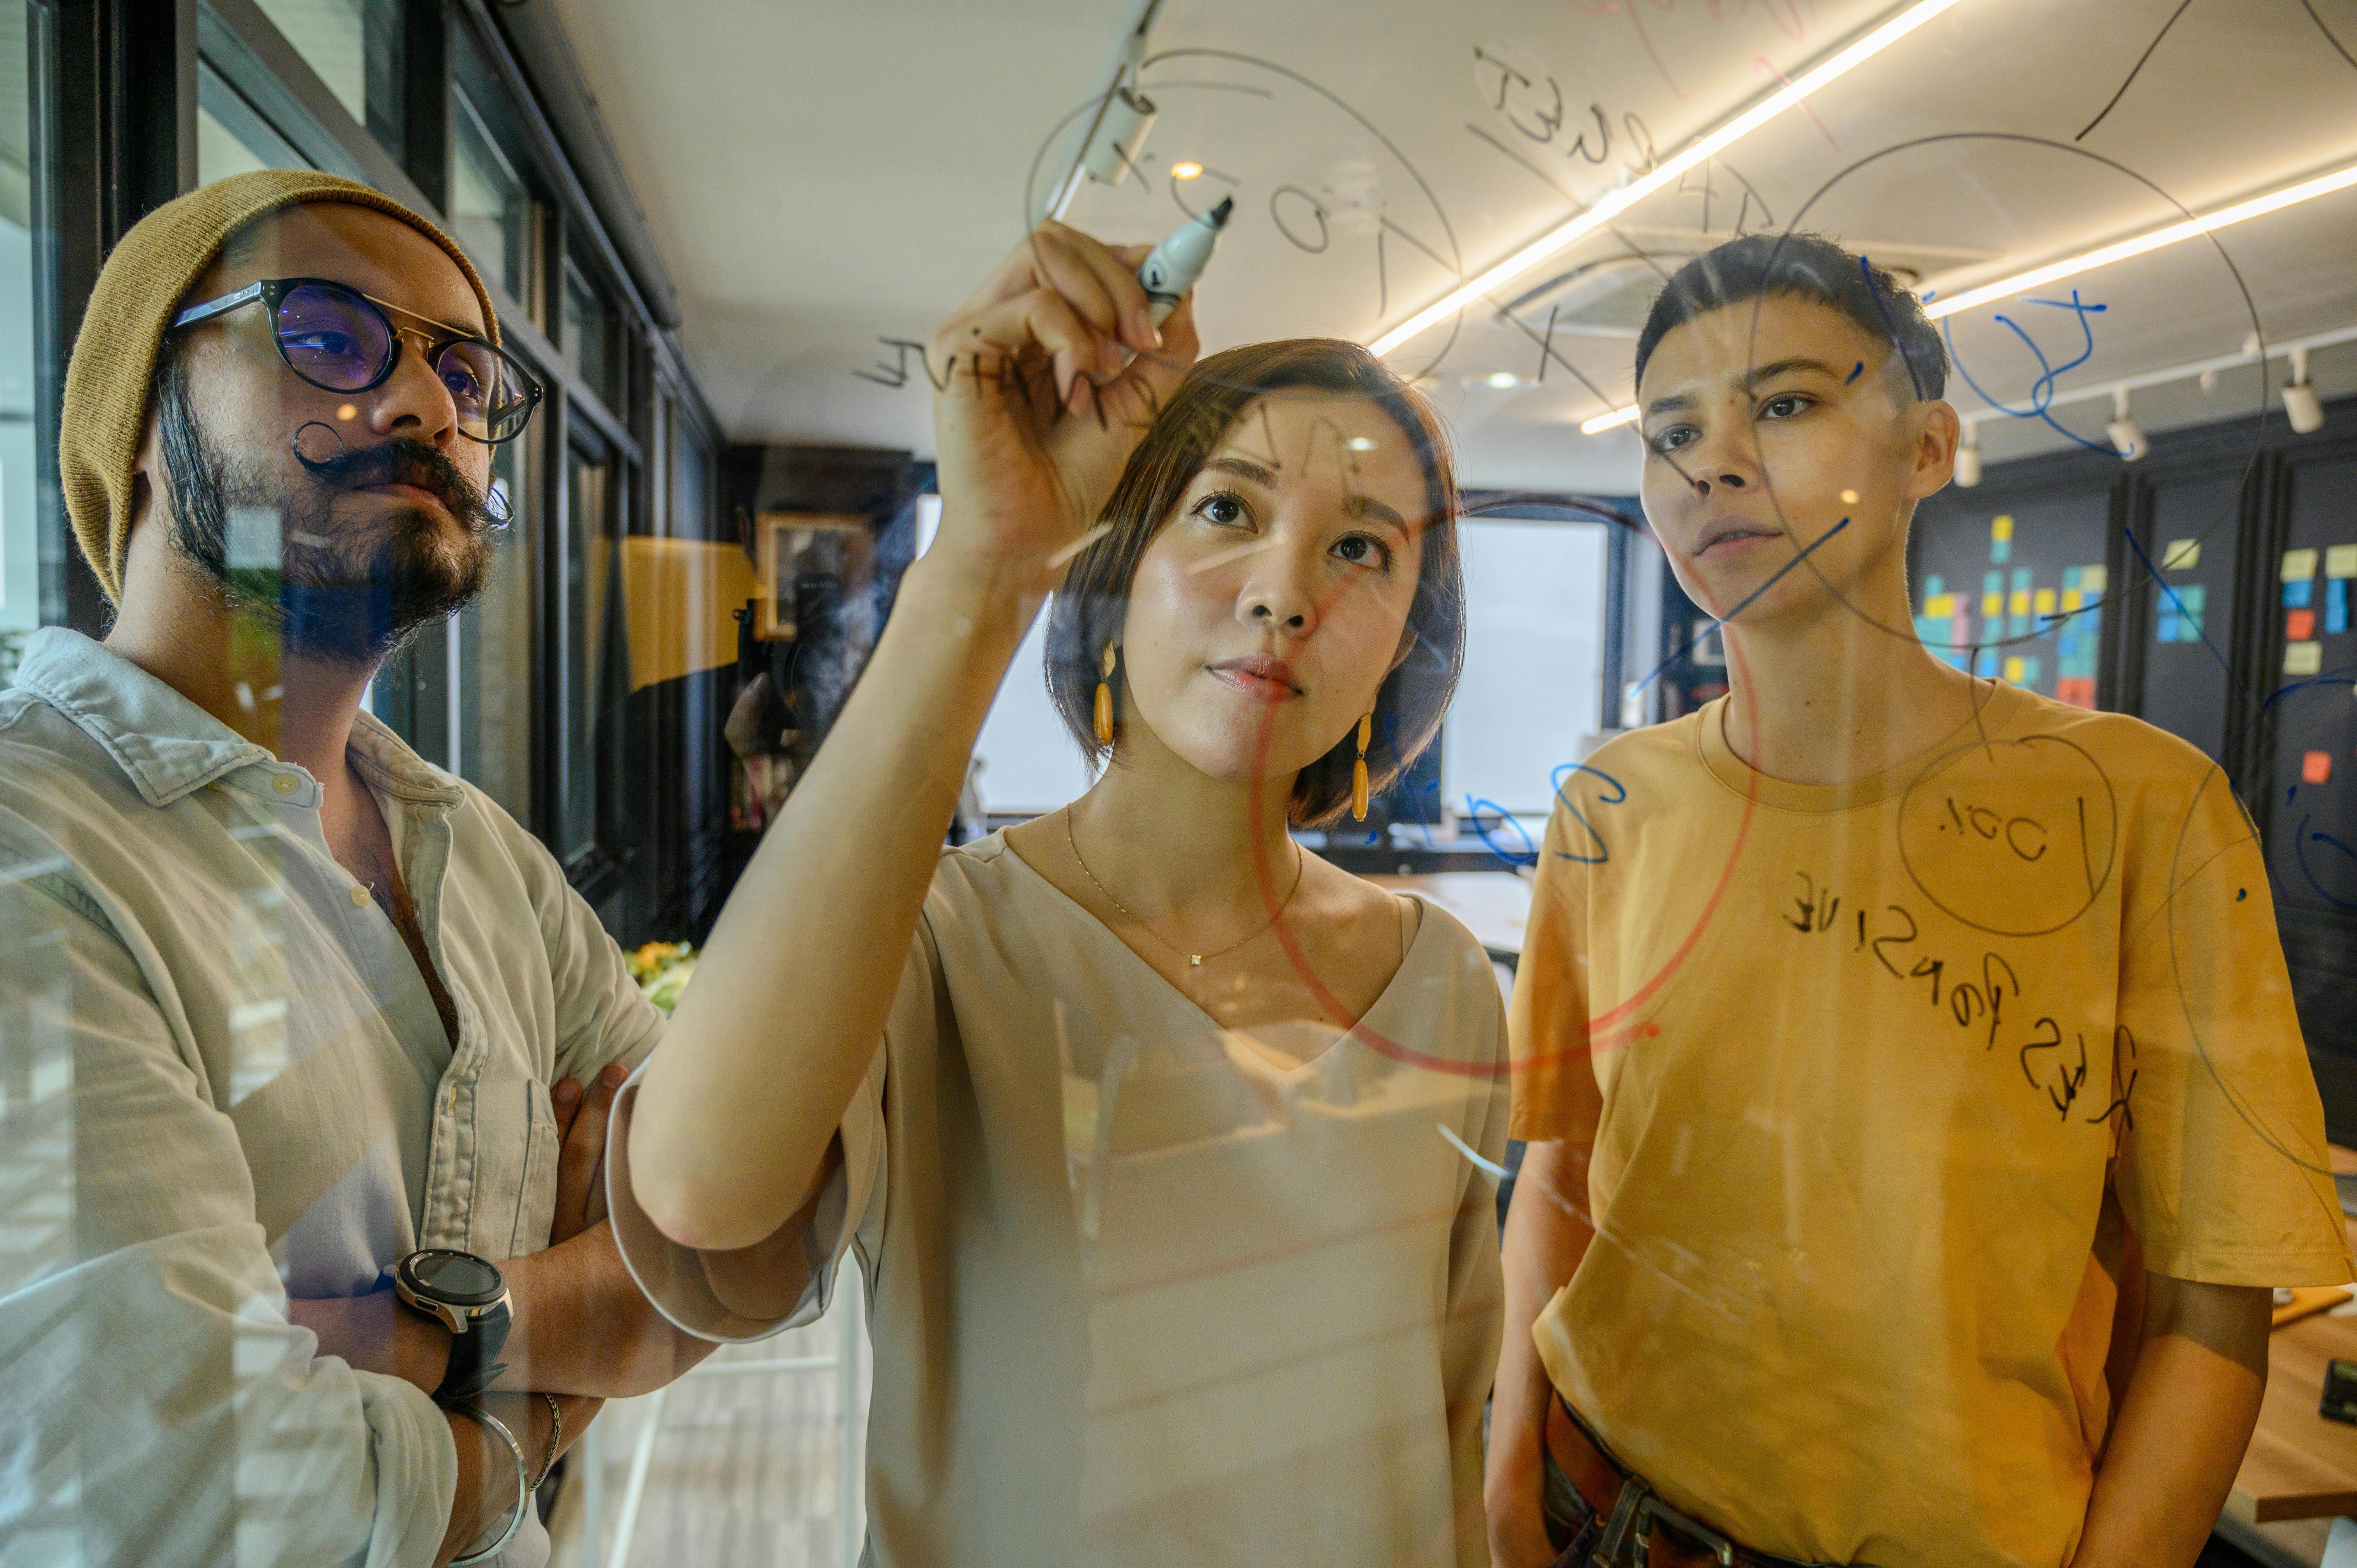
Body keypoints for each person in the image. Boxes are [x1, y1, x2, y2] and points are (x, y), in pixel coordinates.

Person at [612, 226, 1509, 1566]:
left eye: (1363, 551)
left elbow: (1444, 1430)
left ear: (1405, 649)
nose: (1284, 594)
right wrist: (985, 569)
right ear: (1118, 569)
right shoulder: (935, 942)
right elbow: (698, 1189)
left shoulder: (1441, 979)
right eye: (1227, 510)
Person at [1484, 230, 2355, 1568]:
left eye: (1785, 405)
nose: (1715, 459)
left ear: (1927, 450)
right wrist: (1506, 1489)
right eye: (1672, 430)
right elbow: (1560, 1170)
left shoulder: (2141, 808)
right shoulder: (1613, 802)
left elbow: (2208, 1303)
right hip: (1595, 1509)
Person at [0, 170, 717, 1567]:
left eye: (465, 371)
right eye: (327, 335)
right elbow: (205, 1499)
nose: (422, 406)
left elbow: (729, 1243)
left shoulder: (479, 855)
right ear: (142, 421)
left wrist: (447, 1335)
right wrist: (557, 1385)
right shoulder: (41, 851)